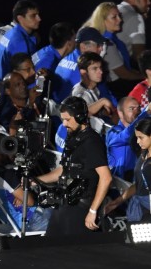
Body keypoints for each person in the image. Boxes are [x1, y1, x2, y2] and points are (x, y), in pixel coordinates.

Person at [36, 96, 112, 236]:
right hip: (64, 203)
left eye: (68, 119)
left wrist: (93, 211)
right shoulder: (73, 137)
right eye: (63, 119)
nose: (64, 124)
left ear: (80, 117)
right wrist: (36, 180)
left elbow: (106, 177)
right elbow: (64, 170)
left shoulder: (92, 142)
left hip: (81, 207)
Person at [0, 133, 52, 232]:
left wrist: (20, 195)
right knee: (62, 216)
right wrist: (24, 194)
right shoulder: (7, 175)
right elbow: (30, 202)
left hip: (8, 219)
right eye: (6, 149)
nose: (12, 152)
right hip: (29, 220)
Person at [82, 1, 143, 97]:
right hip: (114, 87)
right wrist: (144, 76)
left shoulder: (110, 38)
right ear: (103, 20)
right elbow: (124, 74)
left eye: (119, 16)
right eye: (114, 17)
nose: (120, 20)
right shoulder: (105, 44)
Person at [105, 118, 151, 222]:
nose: (138, 141)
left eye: (141, 137)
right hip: (141, 211)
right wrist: (117, 201)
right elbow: (138, 184)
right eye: (137, 138)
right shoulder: (143, 154)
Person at [51, 27, 107, 103]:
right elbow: (104, 95)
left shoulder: (66, 59)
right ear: (83, 47)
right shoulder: (86, 67)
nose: (102, 49)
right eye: (98, 46)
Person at [0, 0, 41, 80]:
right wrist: (41, 82)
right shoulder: (19, 42)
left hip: (1, 83)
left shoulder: (11, 33)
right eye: (33, 16)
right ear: (20, 18)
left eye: (38, 15)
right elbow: (26, 77)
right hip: (10, 88)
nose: (39, 19)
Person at [107, 96, 149, 180]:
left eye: (138, 108)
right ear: (120, 113)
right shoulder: (113, 133)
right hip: (120, 187)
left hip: (139, 181)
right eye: (131, 108)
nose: (137, 111)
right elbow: (127, 135)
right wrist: (145, 113)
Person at [117, 0, 150, 64]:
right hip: (116, 72)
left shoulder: (114, 9)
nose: (149, 2)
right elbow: (139, 55)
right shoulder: (135, 17)